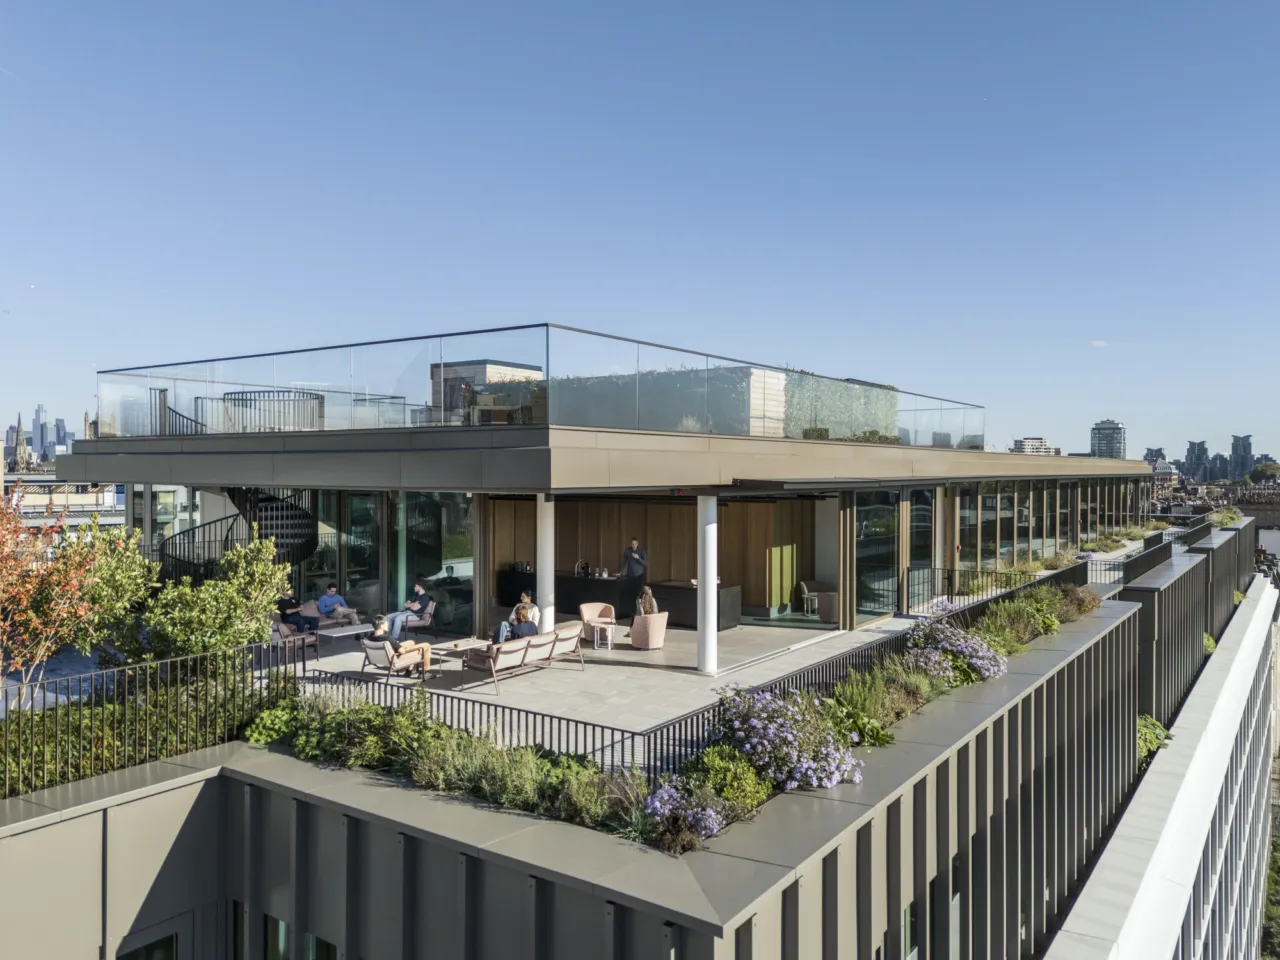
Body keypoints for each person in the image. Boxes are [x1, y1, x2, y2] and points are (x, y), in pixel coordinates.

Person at [623, 536, 648, 605]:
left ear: (637, 544)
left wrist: (638, 558)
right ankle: (631, 605)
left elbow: (645, 563)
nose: (633, 545)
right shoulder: (627, 551)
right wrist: (621, 572)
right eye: (632, 544)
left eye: (635, 544)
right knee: (630, 592)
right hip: (630, 575)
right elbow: (624, 562)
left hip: (639, 575)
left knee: (639, 592)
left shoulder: (641, 551)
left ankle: (639, 605)